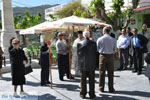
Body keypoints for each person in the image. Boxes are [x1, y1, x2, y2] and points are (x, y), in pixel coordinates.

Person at [77, 30, 97, 99]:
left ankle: (83, 94)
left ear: (83, 35)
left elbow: (78, 55)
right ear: (89, 35)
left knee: (83, 81)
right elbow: (95, 54)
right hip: (91, 64)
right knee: (91, 80)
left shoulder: (79, 44)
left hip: (83, 64)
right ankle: (92, 94)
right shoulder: (93, 43)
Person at [97, 27, 116, 93]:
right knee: (111, 73)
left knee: (102, 72)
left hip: (102, 56)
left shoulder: (100, 39)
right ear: (109, 31)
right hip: (110, 56)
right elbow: (114, 50)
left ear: (104, 31)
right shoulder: (113, 39)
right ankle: (111, 88)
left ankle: (101, 88)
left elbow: (97, 49)